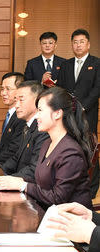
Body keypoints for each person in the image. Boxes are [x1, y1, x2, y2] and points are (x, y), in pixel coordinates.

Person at [0, 87, 93, 209]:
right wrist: (10, 181)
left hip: (70, 220)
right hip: (45, 212)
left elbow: (58, 199)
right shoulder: (47, 143)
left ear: (57, 114)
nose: (36, 116)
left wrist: (23, 186)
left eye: (40, 110)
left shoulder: (70, 152)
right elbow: (39, 180)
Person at [57, 28, 99, 197]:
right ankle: (72, 185)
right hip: (69, 114)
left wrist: (83, 106)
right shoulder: (66, 64)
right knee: (72, 149)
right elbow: (60, 87)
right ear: (72, 45)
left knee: (89, 150)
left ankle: (92, 187)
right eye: (75, 42)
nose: (78, 45)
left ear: (88, 44)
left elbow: (97, 89)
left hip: (87, 114)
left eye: (82, 41)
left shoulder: (97, 63)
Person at [0, 81, 49, 182]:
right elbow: (16, 159)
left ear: (37, 101)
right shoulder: (28, 126)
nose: (16, 105)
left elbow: (34, 169)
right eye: (15, 100)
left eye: (21, 100)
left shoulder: (43, 130)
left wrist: (8, 180)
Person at [0, 72, 26, 165]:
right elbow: (2, 145)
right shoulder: (10, 115)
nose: (3, 93)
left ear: (20, 91)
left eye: (8, 89)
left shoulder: (22, 117)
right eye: (2, 89)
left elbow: (13, 149)